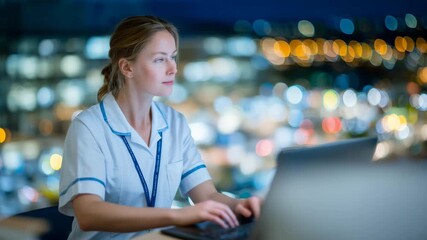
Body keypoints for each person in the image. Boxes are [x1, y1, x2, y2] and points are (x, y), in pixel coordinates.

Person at [58, 15, 261, 239]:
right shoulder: (89, 127)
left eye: (173, 57)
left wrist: (240, 205)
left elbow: (208, 196)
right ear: (127, 67)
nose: (173, 68)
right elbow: (89, 214)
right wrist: (176, 216)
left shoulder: (175, 123)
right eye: (159, 59)